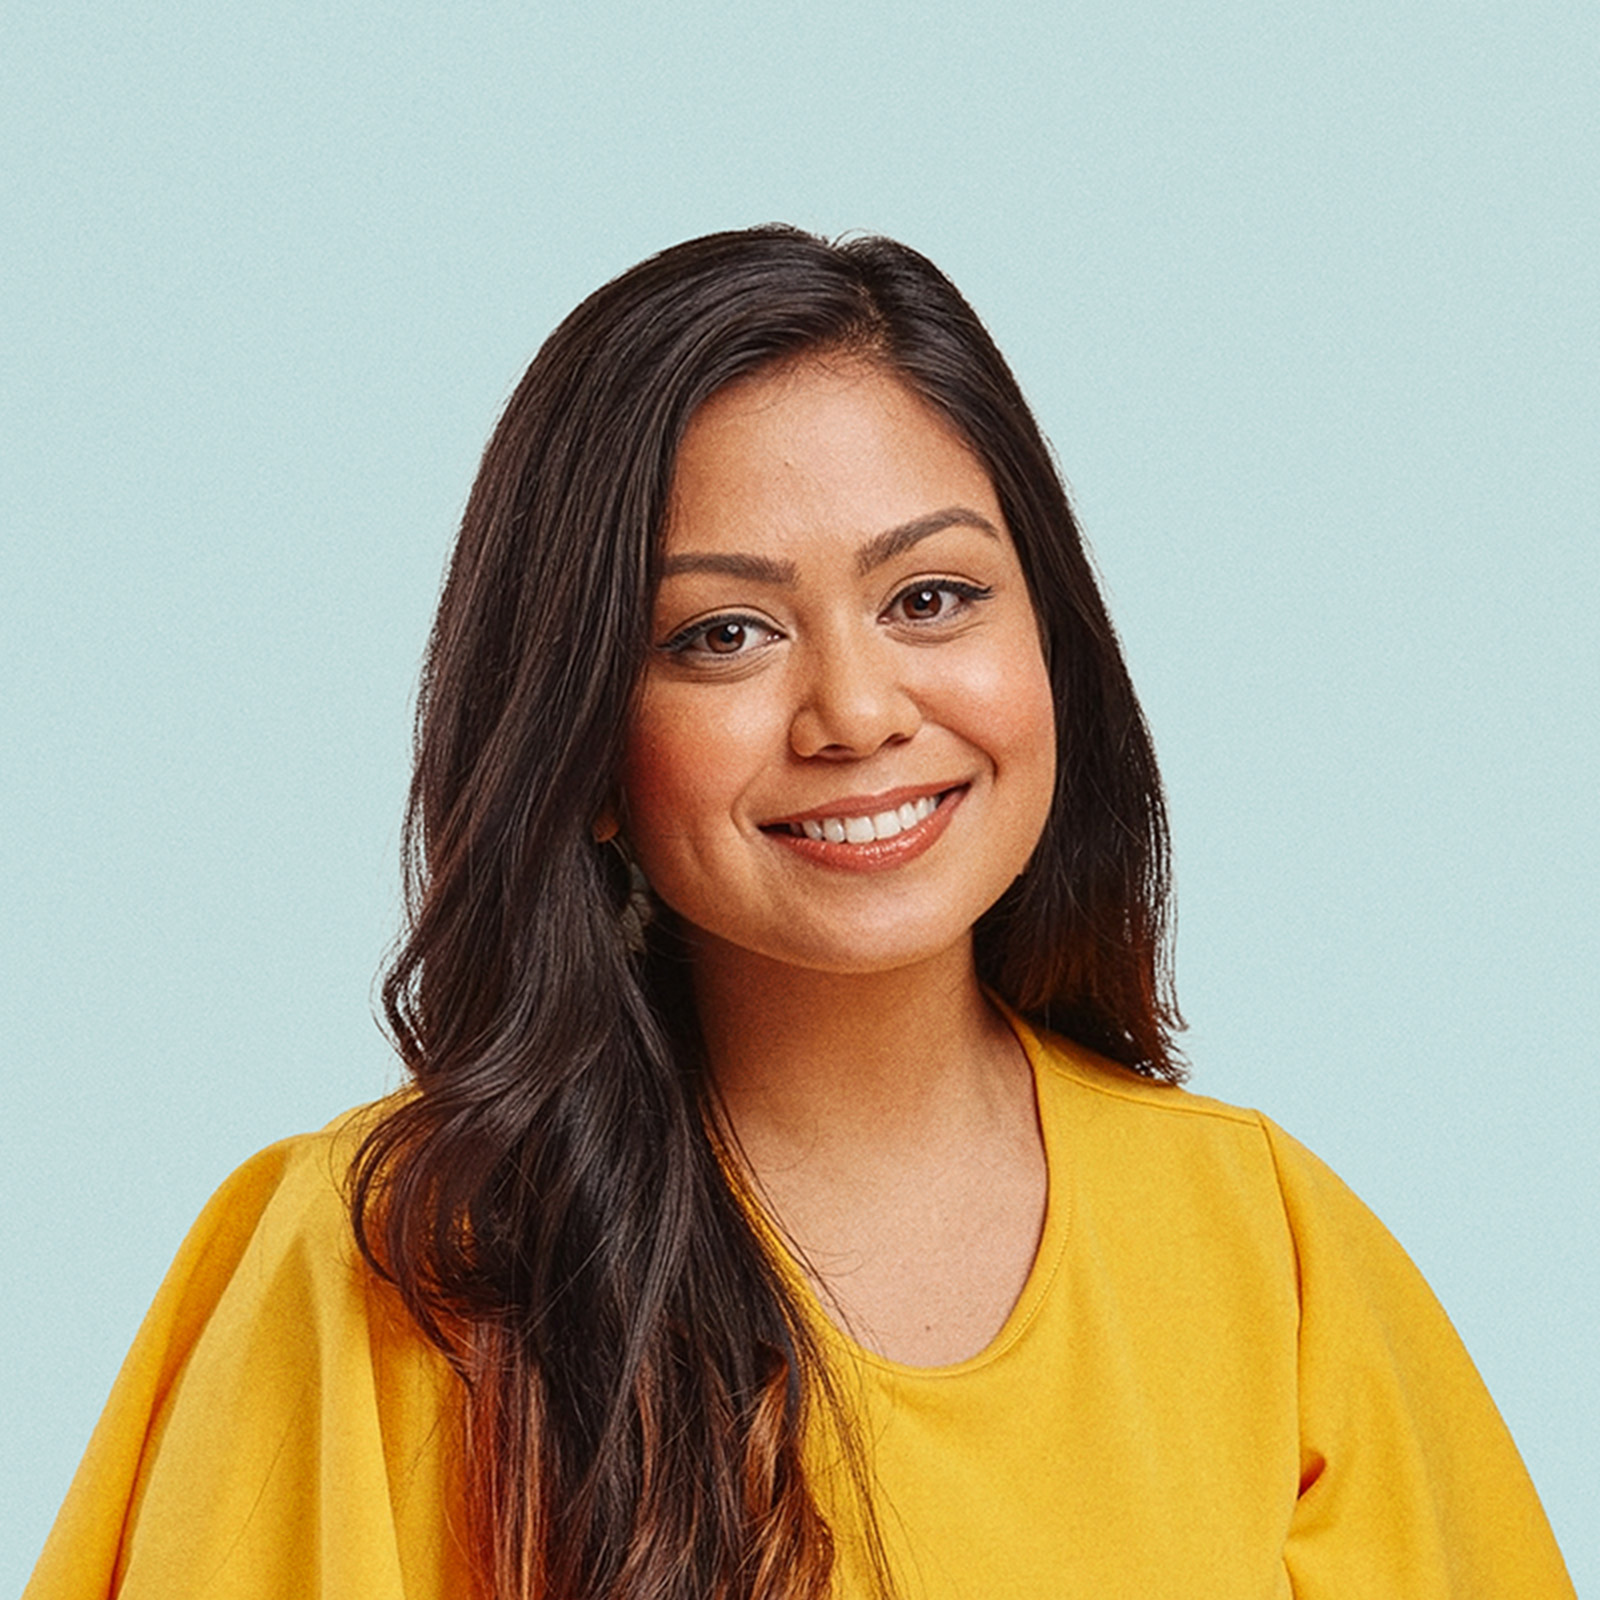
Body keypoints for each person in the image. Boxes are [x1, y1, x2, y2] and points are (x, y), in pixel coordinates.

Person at [26, 227, 1573, 1600]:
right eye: (724, 634)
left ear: (1056, 646)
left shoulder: (1276, 1256)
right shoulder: (398, 1264)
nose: (853, 710)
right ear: (588, 752)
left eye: (931, 599)